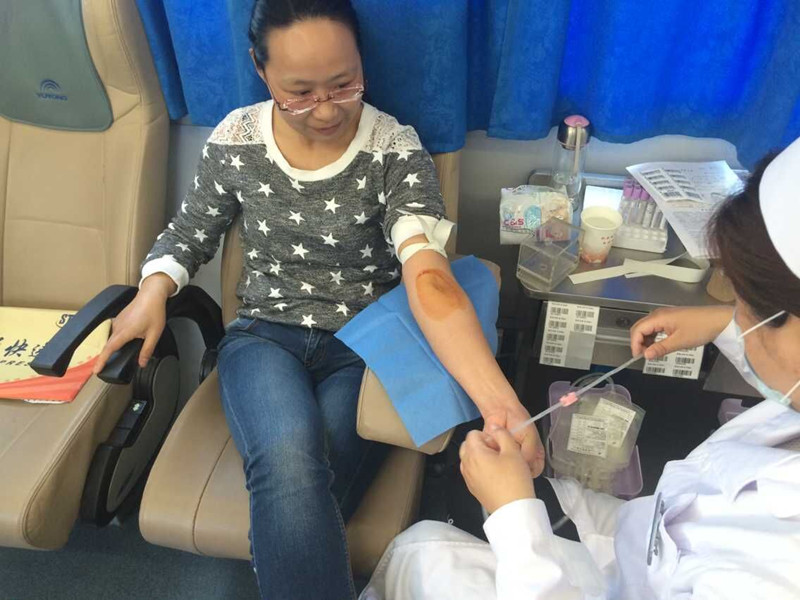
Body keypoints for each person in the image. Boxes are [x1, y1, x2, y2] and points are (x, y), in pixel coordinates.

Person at [91, 1, 541, 599]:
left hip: (366, 346)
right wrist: (153, 291)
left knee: (304, 480)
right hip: (262, 336)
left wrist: (500, 404)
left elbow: (428, 276)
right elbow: (191, 232)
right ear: (261, 69)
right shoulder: (237, 139)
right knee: (288, 462)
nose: (326, 110)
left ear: (361, 64)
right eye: (299, 93)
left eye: (344, 84)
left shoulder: (394, 149)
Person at [361, 138, 800, 600]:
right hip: (639, 544)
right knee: (424, 550)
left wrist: (514, 514)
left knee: (423, 556)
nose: (739, 315)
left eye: (748, 307)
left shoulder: (773, 575)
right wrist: (724, 324)